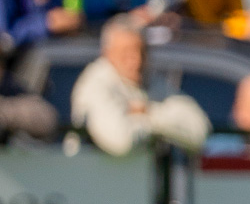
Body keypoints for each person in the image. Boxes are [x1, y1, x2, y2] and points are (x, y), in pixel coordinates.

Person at [69, 16, 209, 155]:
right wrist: (162, 123)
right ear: (107, 54)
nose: (136, 61)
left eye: (141, 52)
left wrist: (147, 111)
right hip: (90, 176)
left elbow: (199, 130)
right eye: (126, 53)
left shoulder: (150, 80)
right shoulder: (95, 83)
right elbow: (121, 142)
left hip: (137, 176)